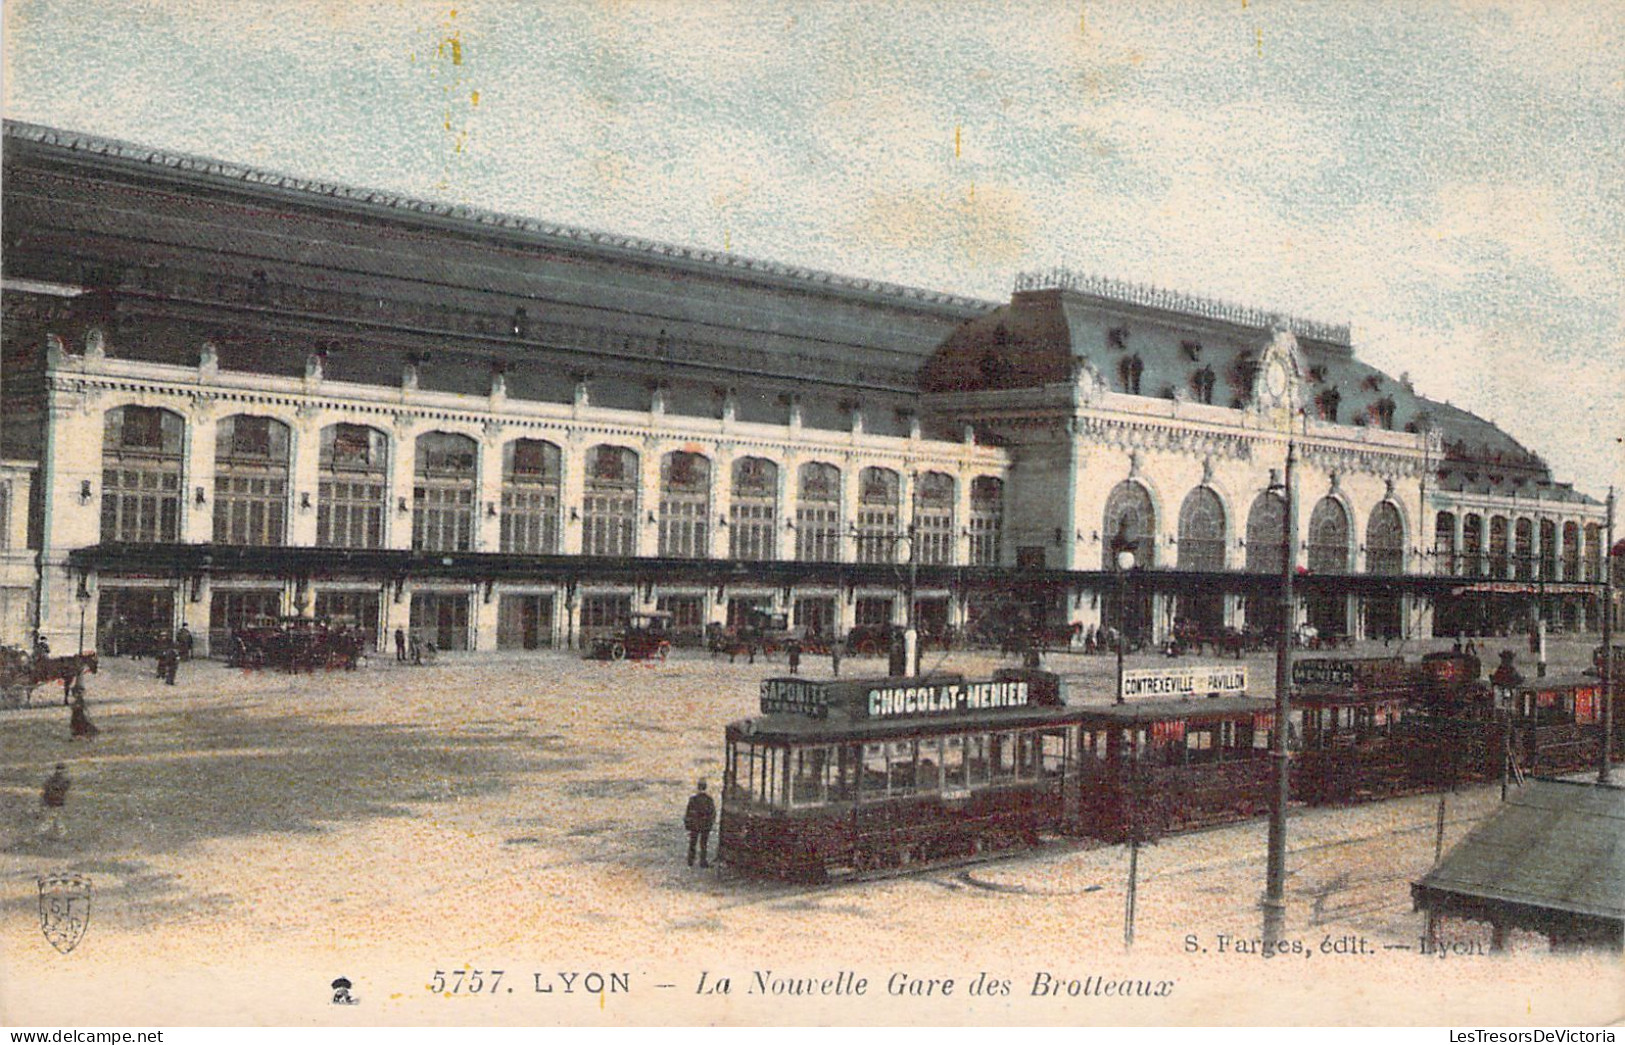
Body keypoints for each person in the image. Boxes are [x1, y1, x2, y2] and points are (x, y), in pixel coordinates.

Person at [684, 780, 716, 868]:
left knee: (693, 843)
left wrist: (687, 824)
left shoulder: (693, 799)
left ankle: (690, 861)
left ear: (698, 787)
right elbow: (712, 813)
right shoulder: (709, 800)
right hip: (705, 824)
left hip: (695, 824)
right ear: (705, 787)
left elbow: (688, 813)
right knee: (703, 844)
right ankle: (703, 861)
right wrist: (710, 823)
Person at [40, 763, 70, 839]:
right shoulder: (64, 780)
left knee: (55, 817)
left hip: (51, 800)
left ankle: (61, 832)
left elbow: (45, 789)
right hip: (57, 801)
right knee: (53, 817)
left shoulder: (51, 779)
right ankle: (42, 830)